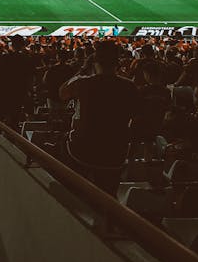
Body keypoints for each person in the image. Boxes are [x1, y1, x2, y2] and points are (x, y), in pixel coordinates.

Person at [59, 41, 140, 196]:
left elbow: (62, 92)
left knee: (74, 192)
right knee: (108, 196)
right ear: (117, 63)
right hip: (115, 152)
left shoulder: (82, 82)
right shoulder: (129, 87)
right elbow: (135, 117)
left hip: (82, 150)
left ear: (94, 61)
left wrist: (83, 69)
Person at [0, 35, 35, 127]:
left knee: (5, 117)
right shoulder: (26, 59)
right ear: (22, 45)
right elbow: (30, 78)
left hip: (5, 91)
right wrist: (29, 92)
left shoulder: (4, 58)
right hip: (19, 92)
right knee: (15, 117)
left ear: (12, 45)